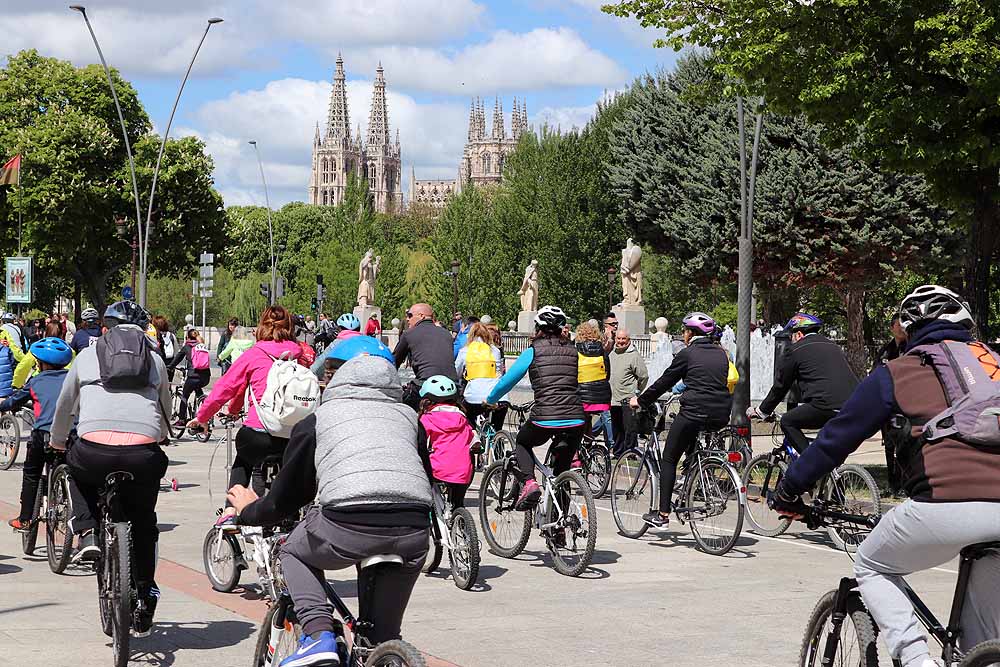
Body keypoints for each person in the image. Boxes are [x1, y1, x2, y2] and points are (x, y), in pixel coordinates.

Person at [770, 285, 1000, 667]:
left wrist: (790, 490)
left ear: (908, 330)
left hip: (944, 507)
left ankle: (916, 661)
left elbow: (835, 439)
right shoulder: (994, 362)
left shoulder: (898, 372)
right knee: (978, 647)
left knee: (871, 564)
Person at [226, 351, 430, 667]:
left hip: (348, 524)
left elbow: (285, 499)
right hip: (413, 529)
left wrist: (248, 511)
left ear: (336, 382)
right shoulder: (410, 420)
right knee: (381, 640)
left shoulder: (318, 419)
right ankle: (384, 654)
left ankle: (318, 635)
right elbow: (421, 478)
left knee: (292, 550)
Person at [51, 300, 171, 636]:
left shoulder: (86, 357)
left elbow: (64, 404)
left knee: (75, 469)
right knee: (144, 520)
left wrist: (59, 440)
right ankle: (145, 593)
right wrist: (156, 435)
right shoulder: (156, 361)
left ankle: (87, 531)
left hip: (93, 450)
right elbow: (164, 409)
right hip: (141, 455)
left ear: (105, 329)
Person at [187, 305, 304, 530]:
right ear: (290, 328)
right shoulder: (301, 356)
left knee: (243, 457)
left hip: (259, 434)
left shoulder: (254, 354)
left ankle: (230, 511)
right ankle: (293, 514)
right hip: (293, 435)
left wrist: (202, 418)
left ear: (261, 327)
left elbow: (227, 388)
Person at [630, 312, 732, 527]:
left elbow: (665, 382)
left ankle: (663, 514)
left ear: (689, 333)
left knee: (669, 458)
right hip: (721, 413)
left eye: (685, 331)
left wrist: (641, 400)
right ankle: (693, 478)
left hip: (695, 411)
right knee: (692, 443)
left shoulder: (688, 353)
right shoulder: (722, 353)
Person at [486, 306, 585, 510]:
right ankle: (560, 529)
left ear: (538, 328)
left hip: (545, 417)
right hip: (576, 418)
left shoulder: (533, 351)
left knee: (522, 442)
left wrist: (490, 399)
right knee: (561, 473)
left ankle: (529, 483)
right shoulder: (574, 351)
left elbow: (508, 381)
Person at [747, 313, 858, 454]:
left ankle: (810, 463)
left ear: (798, 334)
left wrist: (762, 411)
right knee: (827, 449)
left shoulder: (796, 350)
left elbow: (780, 386)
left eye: (791, 336)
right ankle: (830, 471)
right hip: (853, 406)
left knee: (787, 421)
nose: (790, 340)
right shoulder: (833, 346)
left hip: (826, 405)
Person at [3, 338, 73, 531]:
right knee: (76, 474)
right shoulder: (73, 378)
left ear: (41, 364)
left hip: (43, 436)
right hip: (71, 437)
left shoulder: (36, 381)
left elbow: (14, 401)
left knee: (32, 473)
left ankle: (25, 519)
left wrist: (4, 404)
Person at [417, 375, 477, 508]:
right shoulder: (463, 419)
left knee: (430, 504)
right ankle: (461, 522)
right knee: (458, 505)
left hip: (437, 470)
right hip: (463, 472)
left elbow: (419, 443)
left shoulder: (426, 420)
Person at [394, 303, 458, 411]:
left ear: (421, 316)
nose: (407, 319)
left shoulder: (409, 334)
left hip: (425, 386)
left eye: (410, 315)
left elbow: (394, 362)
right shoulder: (446, 333)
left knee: (403, 411)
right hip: (452, 387)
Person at [877, 313, 909, 494]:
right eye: (898, 324)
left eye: (904, 324)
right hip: (887, 405)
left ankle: (905, 484)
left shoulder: (911, 348)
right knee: (889, 445)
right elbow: (877, 373)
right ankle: (893, 484)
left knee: (904, 445)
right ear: (892, 328)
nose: (902, 327)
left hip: (905, 405)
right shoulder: (886, 350)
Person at [455, 322, 506, 431]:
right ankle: (498, 442)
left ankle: (473, 437)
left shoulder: (465, 351)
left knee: (466, 415)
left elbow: (457, 373)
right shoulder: (495, 351)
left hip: (473, 396)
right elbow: (499, 373)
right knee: (497, 427)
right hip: (496, 395)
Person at [609, 328, 648, 457]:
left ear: (628, 340)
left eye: (623, 339)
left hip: (628, 398)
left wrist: (637, 392)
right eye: (618, 339)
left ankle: (630, 453)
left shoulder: (634, 355)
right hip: (613, 399)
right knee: (617, 428)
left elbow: (643, 376)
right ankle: (618, 452)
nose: (620, 341)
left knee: (629, 429)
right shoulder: (612, 354)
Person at [576, 321, 614, 444]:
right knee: (589, 419)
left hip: (582, 398)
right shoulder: (602, 351)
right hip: (602, 398)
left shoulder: (575, 351)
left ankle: (576, 455)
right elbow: (607, 374)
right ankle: (590, 447)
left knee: (576, 427)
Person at [167, 329, 211, 427]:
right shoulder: (203, 346)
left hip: (193, 376)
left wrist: (170, 367)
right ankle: (204, 408)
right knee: (198, 390)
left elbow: (177, 359)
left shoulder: (187, 347)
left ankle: (182, 420)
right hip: (206, 377)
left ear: (187, 337)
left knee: (184, 396)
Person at [13, 321, 74, 389]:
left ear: (46, 332)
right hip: (62, 383)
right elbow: (71, 369)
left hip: (39, 380)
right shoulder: (69, 350)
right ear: (62, 334)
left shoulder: (37, 348)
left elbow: (23, 366)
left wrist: (16, 384)